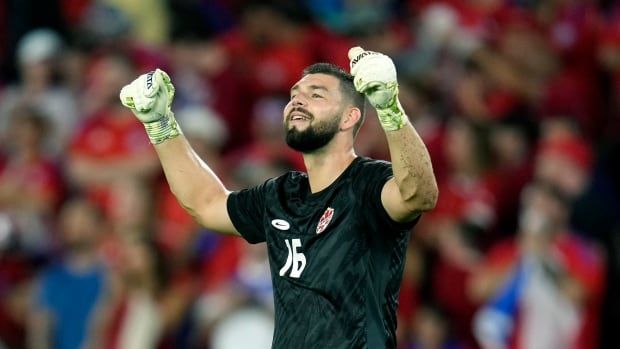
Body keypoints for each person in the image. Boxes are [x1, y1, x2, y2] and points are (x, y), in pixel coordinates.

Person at [118, 46, 438, 348]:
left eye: (316, 94)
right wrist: (160, 124)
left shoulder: (368, 183)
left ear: (349, 117)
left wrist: (389, 108)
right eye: (294, 95)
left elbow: (418, 194)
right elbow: (206, 203)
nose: (298, 101)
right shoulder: (281, 195)